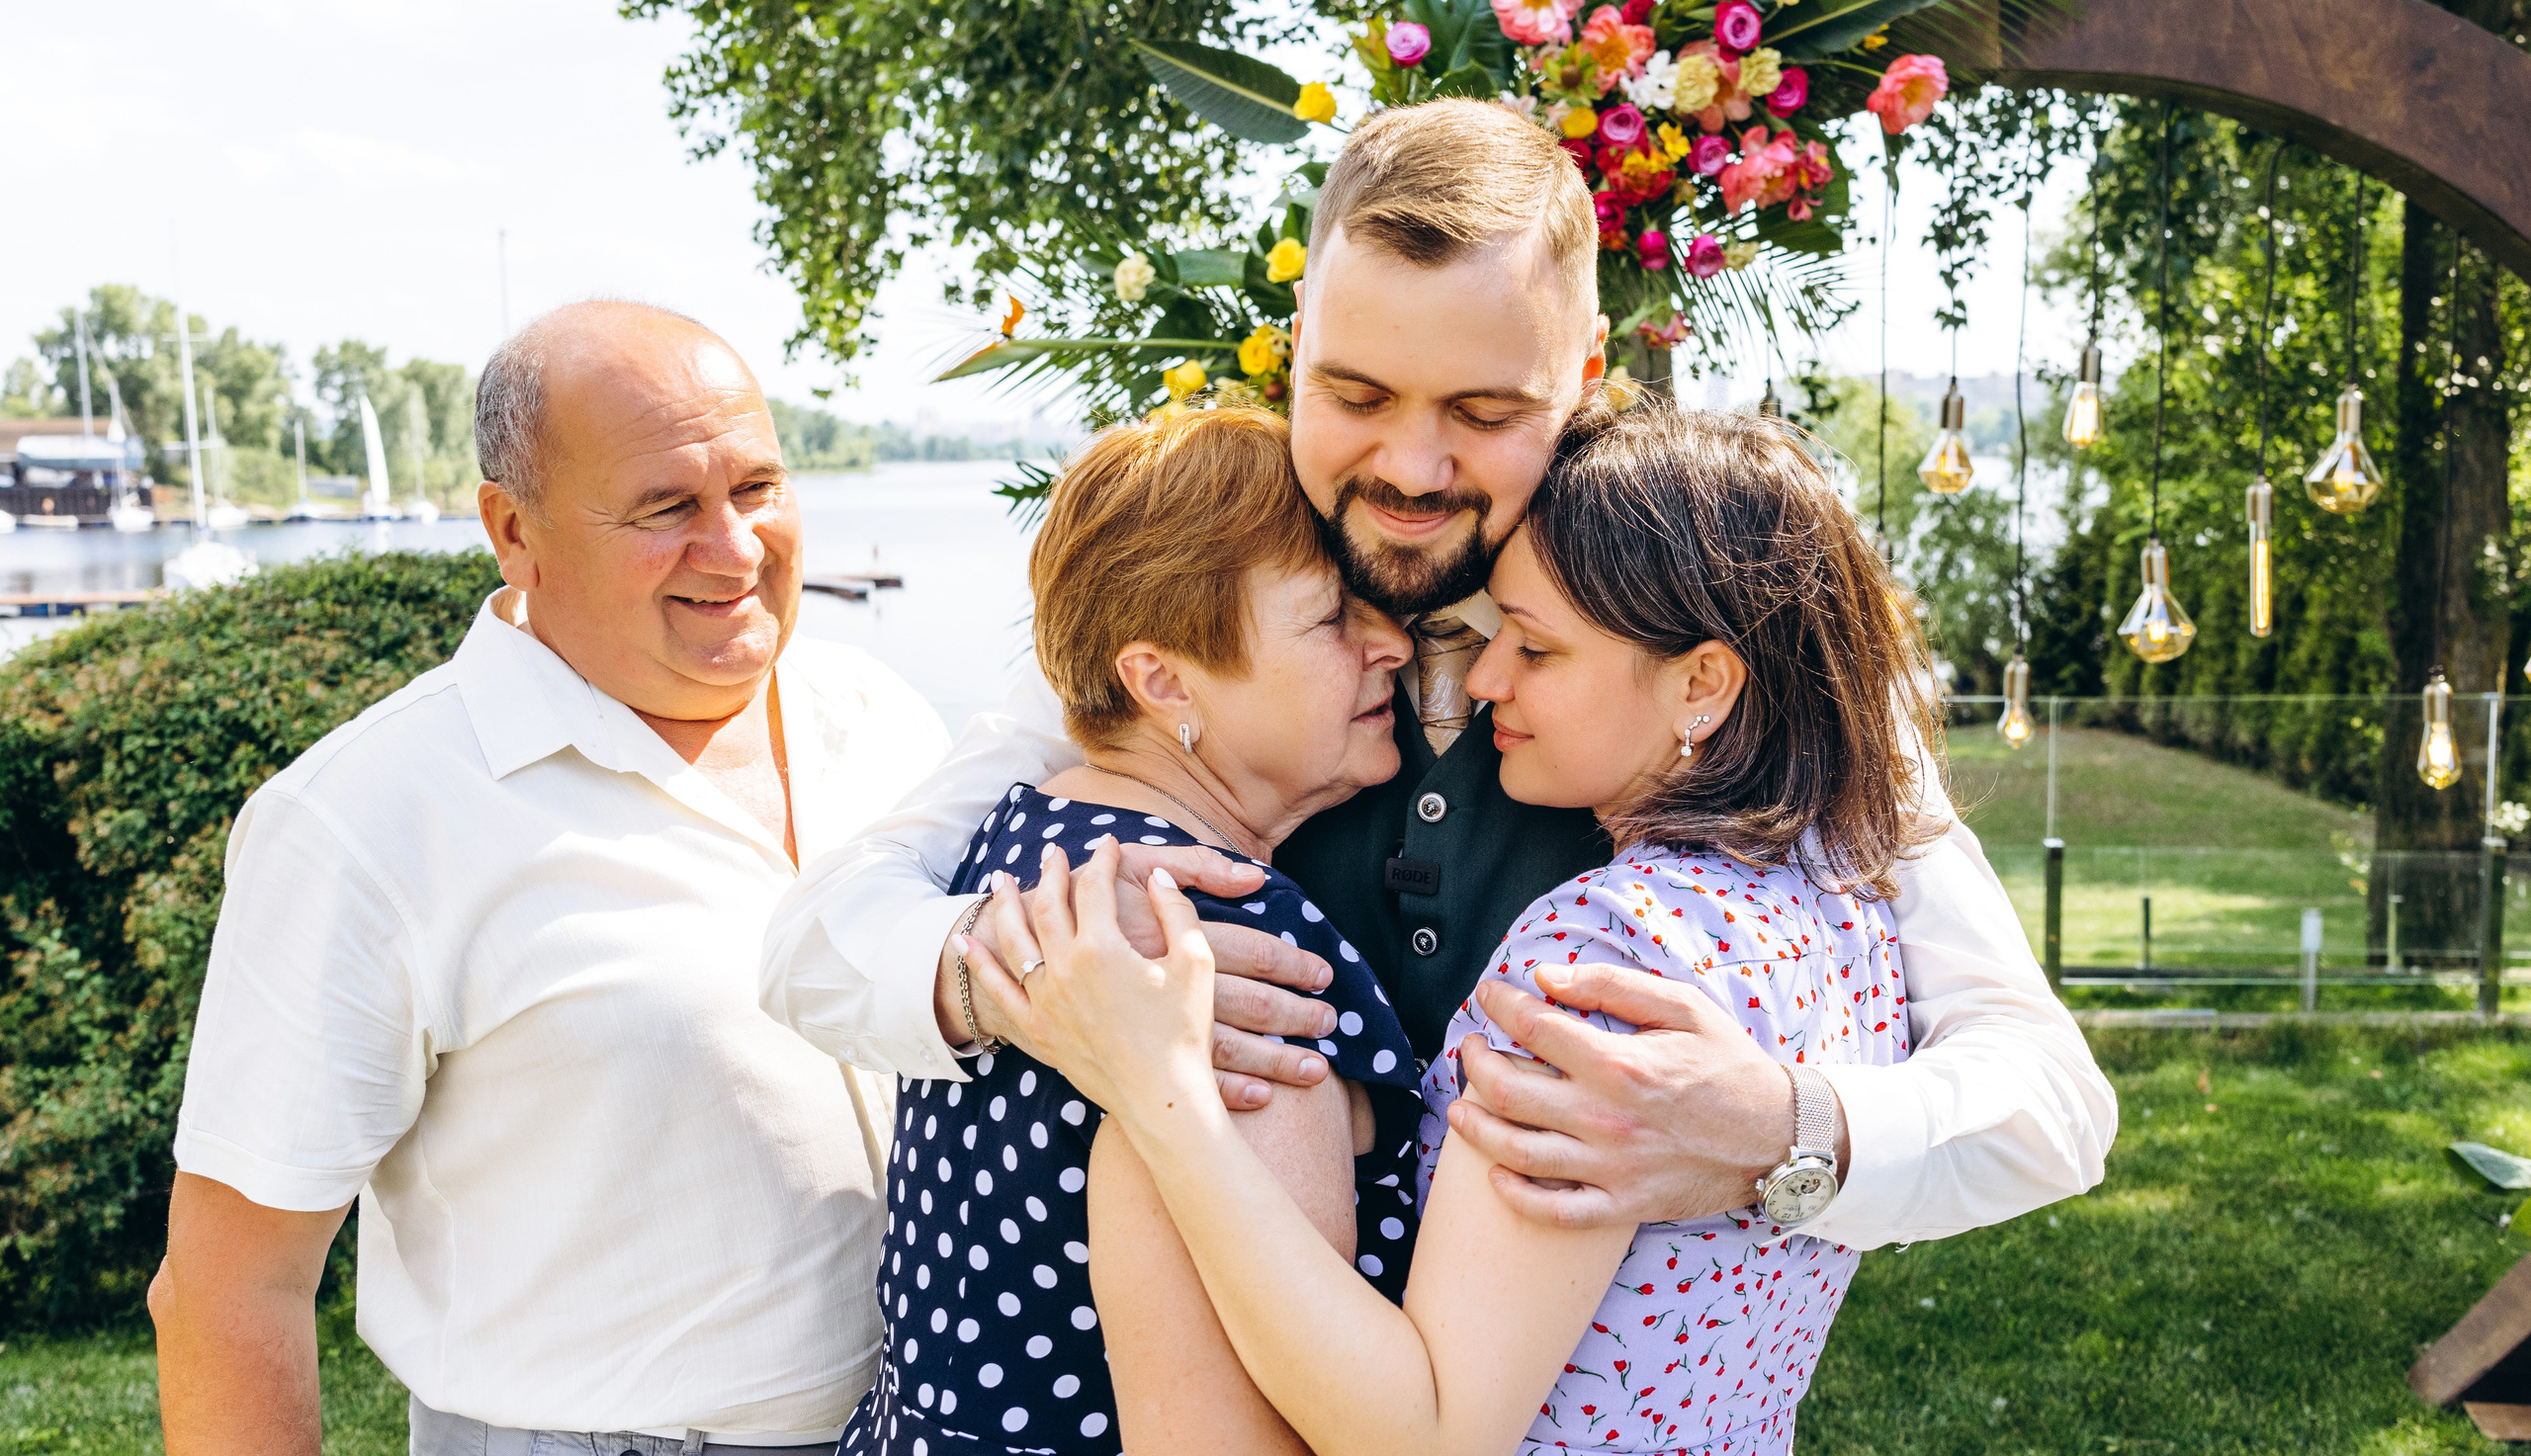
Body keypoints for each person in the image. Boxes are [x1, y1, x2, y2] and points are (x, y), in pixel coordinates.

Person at [760, 98, 2113, 1271]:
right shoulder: (1198, 614)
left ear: (1585, 374)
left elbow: (2050, 1103)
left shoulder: (1713, 634)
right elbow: (816, 944)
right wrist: (1025, 978)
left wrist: (1776, 1128)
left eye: (1483, 413)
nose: (1410, 471)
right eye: (1356, 395)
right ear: (1299, 340)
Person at [973, 399, 1922, 1456]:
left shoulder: (1601, 957)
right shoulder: (1844, 906)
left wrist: (1158, 1099)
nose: (1481, 681)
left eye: (1536, 648)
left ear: (1702, 683)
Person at [148, 300, 948, 1456]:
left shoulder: (879, 721)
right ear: (512, 530)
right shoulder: (367, 818)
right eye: (665, 508)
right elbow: (227, 1294)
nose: (734, 547)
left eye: (758, 486)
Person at [772, 404, 1421, 1456]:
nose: (1391, 643)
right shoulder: (1213, 948)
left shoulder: (1019, 851)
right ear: (1163, 680)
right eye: (1332, 618)